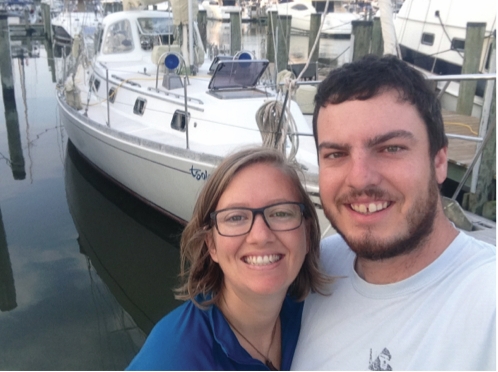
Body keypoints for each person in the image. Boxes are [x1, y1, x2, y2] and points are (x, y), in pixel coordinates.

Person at [291, 55, 496, 370]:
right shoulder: (316, 269)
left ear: (439, 161)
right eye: (336, 154)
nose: (360, 178)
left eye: (391, 148)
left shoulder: (486, 299)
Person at [127, 147, 330, 370]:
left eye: (281, 213)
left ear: (307, 234)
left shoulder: (312, 312)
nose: (260, 236)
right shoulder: (171, 359)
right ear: (211, 244)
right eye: (235, 217)